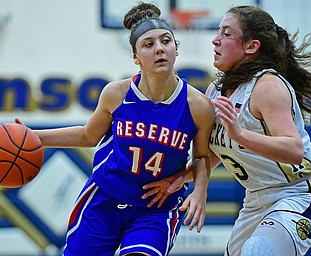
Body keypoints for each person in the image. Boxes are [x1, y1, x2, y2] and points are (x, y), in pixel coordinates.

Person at [15, 2, 215, 256]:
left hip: (155, 208)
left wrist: (199, 191)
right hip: (105, 198)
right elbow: (88, 136)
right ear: (135, 56)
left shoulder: (198, 106)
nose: (160, 49)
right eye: (148, 44)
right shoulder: (116, 94)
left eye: (166, 41)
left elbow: (201, 157)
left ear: (176, 48)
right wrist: (32, 137)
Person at [142, 5, 311, 256]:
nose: (215, 40)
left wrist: (241, 134)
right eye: (218, 32)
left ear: (251, 46)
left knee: (258, 250)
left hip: (302, 191)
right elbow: (216, 153)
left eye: (226, 34)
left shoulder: (267, 86)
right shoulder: (215, 90)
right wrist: (178, 179)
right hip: (257, 199)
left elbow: (294, 150)